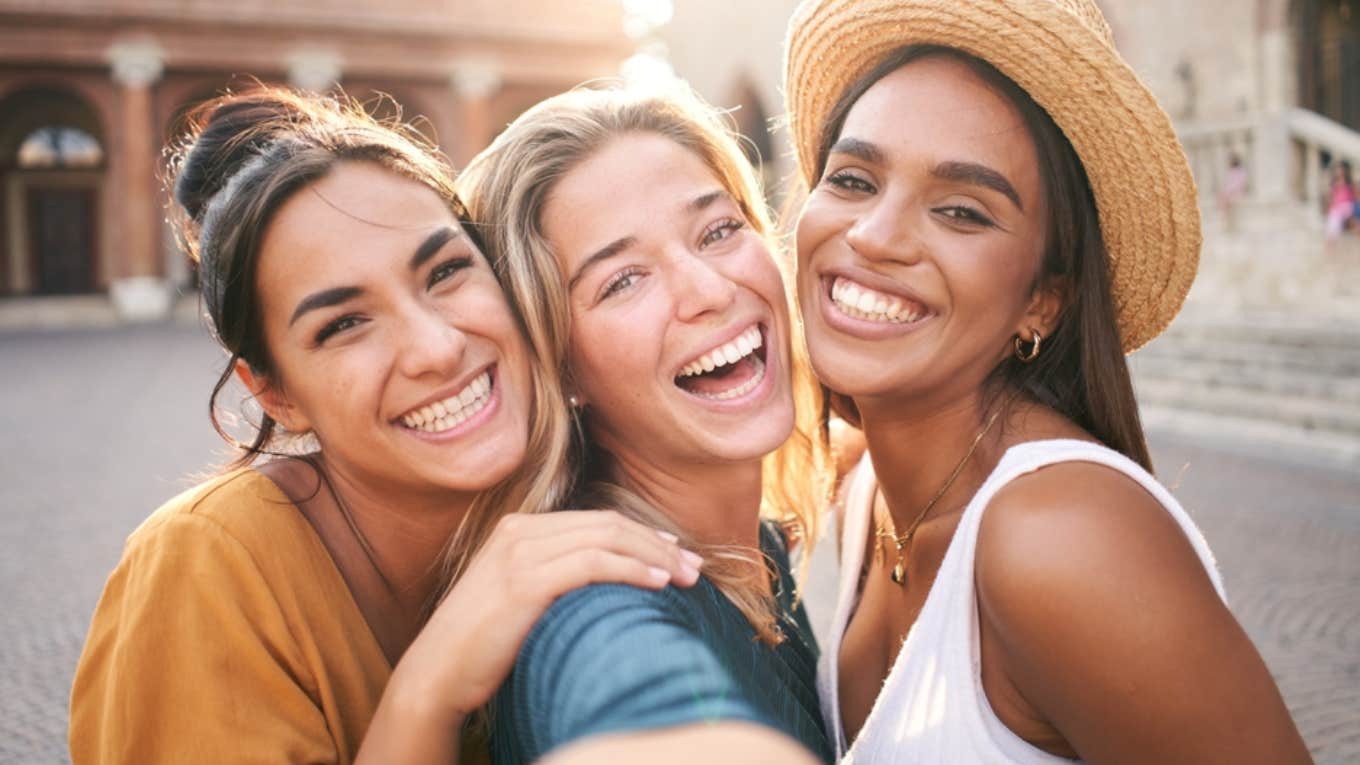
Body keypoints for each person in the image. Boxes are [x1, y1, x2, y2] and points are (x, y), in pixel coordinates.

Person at [69, 87, 701, 765]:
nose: (435, 348)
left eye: (447, 270)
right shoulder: (205, 568)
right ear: (277, 394)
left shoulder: (580, 480)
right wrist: (427, 689)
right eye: (344, 324)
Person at [783, 0, 1313, 762]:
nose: (872, 235)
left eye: (962, 211)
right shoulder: (867, 490)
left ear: (1043, 299)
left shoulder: (1059, 538)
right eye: (855, 179)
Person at [453, 83, 835, 764]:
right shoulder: (590, 604)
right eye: (623, 280)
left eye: (718, 231)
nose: (709, 290)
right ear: (559, 366)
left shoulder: (759, 546)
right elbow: (629, 690)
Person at [1326, 160, 1356, 241]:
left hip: (1347, 207)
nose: (1340, 172)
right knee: (1334, 218)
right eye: (1338, 170)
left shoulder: (1349, 184)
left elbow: (1353, 198)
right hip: (1337, 209)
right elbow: (1331, 199)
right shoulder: (1334, 184)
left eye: (1341, 170)